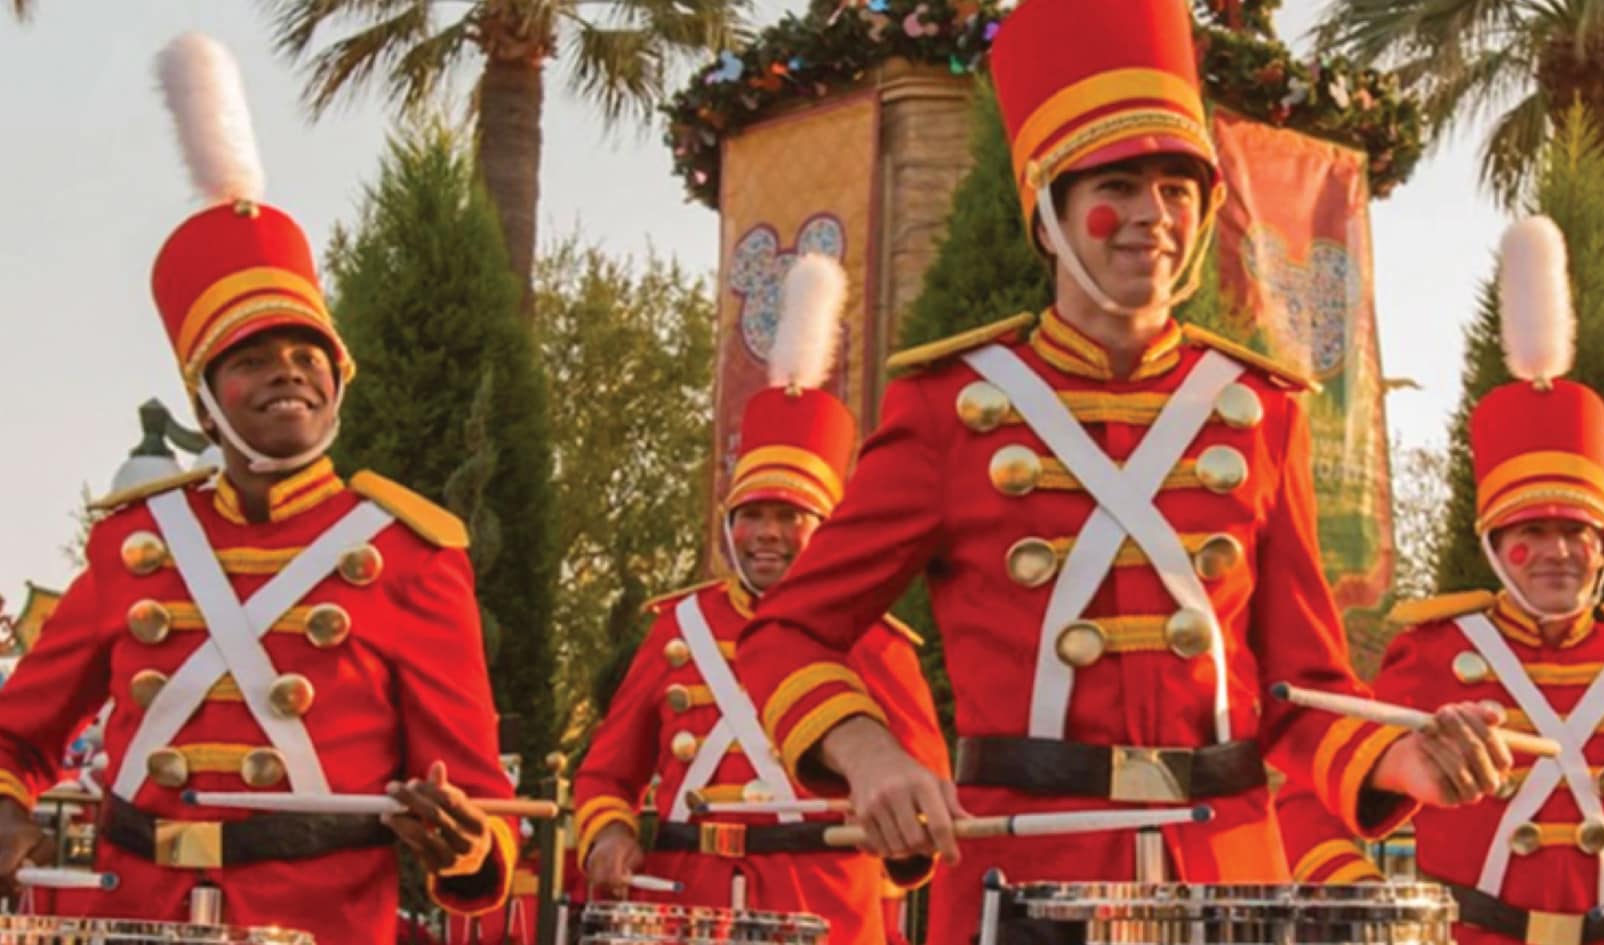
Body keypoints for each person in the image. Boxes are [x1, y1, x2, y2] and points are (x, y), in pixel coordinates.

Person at [728, 1, 1510, 941]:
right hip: (1023, 872)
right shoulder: (951, 407)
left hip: (1228, 874)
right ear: (1050, 211)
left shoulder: (1263, 410)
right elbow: (786, 634)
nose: (1154, 217)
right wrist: (869, 752)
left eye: (1179, 189)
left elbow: (1299, 693)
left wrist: (1401, 757)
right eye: (1120, 184)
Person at [0, 34, 516, 943]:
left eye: (307, 356)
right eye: (252, 359)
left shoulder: (410, 553)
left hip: (322, 920)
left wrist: (464, 846)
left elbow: (476, 796)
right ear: (206, 404)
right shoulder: (134, 544)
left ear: (338, 381)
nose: (289, 374)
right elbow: (18, 732)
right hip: (135, 915)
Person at [570, 255, 949, 944]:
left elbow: (927, 789)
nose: (767, 534)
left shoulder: (873, 637)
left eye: (789, 517)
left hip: (824, 897)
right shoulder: (677, 627)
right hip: (684, 894)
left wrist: (900, 837)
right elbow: (606, 773)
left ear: (826, 530)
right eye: (752, 515)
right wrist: (611, 833)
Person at [1358, 216, 1604, 945]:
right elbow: (1355, 787)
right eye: (1532, 534)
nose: (1560, 551)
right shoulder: (1432, 653)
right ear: (1497, 548)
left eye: (1578, 532)